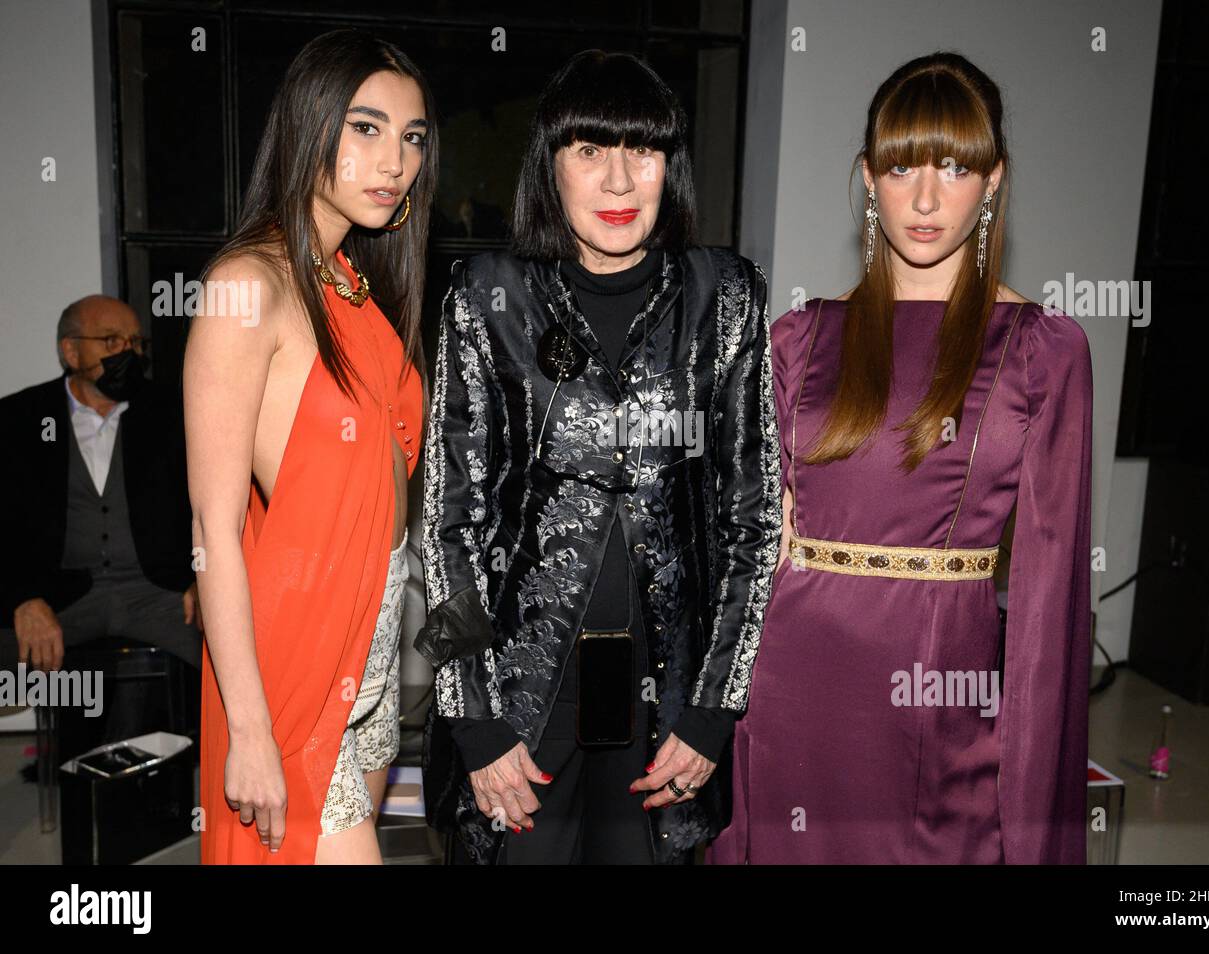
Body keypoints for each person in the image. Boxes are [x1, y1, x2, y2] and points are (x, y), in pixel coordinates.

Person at [711, 51, 1092, 864]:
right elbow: (740, 546)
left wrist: (1032, 818)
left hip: (935, 713)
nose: (925, 198)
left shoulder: (1042, 350)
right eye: (899, 167)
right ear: (868, 177)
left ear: (993, 182)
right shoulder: (799, 335)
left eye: (955, 167)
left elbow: (1049, 602)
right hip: (786, 698)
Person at [418, 49, 782, 864]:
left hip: (668, 702)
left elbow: (755, 517)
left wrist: (714, 709)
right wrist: (472, 717)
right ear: (550, 167)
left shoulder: (724, 295)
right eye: (588, 151)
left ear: (669, 165)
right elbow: (447, 524)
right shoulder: (486, 294)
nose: (619, 182)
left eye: (642, 151)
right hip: (521, 696)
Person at [185, 29, 434, 864]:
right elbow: (214, 533)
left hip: (370, 648)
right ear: (308, 126)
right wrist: (249, 730)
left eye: (411, 137)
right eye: (365, 128)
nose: (393, 160)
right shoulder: (243, 288)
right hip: (295, 657)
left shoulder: (352, 283)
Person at [0, 295, 199, 676]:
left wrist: (203, 580)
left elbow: (208, 508)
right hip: (61, 596)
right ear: (71, 352)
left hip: (160, 594)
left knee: (239, 651)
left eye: (136, 343)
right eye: (111, 341)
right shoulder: (17, 420)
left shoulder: (173, 414)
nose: (129, 352)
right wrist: (23, 598)